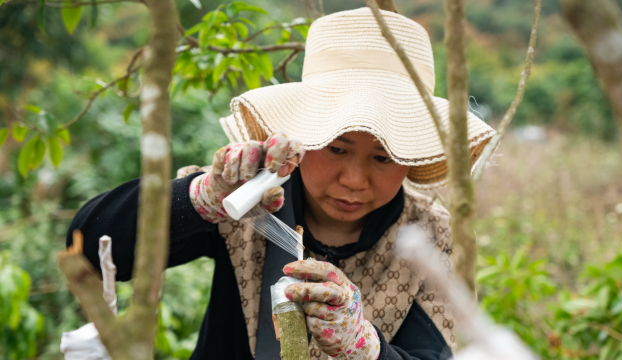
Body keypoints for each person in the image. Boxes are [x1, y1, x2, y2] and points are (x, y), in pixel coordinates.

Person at [67, 8, 495, 360]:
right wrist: (201, 198)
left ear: (409, 158)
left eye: (383, 157)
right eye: (337, 149)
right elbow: (89, 248)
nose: (354, 180)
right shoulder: (246, 198)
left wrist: (365, 348)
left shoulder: (437, 238)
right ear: (304, 138)